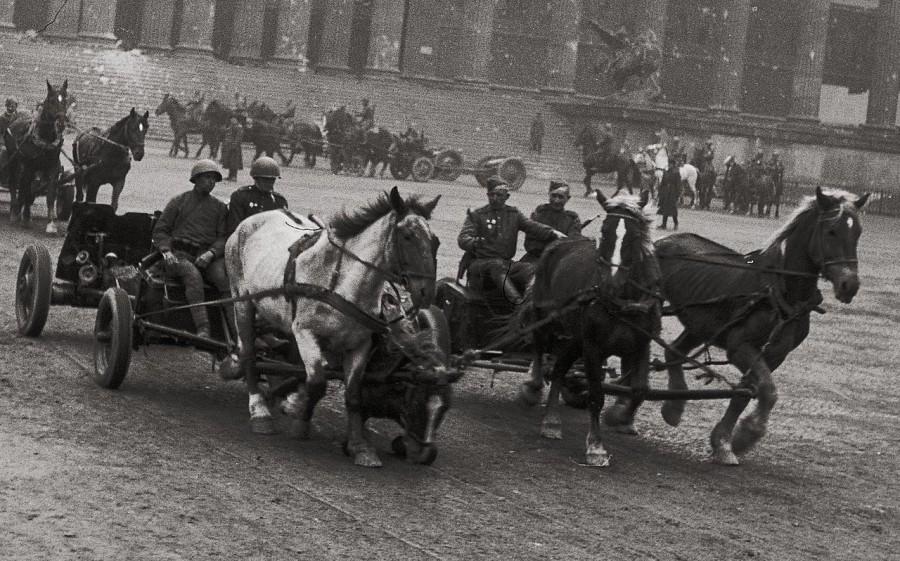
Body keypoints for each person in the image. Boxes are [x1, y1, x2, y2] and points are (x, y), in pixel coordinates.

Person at [151, 159, 229, 339]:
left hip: (206, 257)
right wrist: (166, 251)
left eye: (214, 179)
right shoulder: (179, 201)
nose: (211, 182)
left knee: (224, 280)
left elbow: (224, 237)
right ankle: (203, 328)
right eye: (207, 177)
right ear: (196, 178)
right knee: (193, 276)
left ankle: (237, 334)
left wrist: (211, 253)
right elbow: (161, 231)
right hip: (178, 256)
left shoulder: (219, 208)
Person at [458, 176, 566, 302]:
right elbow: (463, 238)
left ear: (507, 196)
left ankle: (531, 301)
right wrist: (474, 243)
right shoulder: (477, 215)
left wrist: (554, 233)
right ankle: (517, 303)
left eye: (499, 195)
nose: (494, 198)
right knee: (496, 265)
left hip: (506, 263)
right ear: (487, 195)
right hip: (479, 264)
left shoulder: (514, 214)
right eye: (491, 194)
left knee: (531, 269)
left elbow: (533, 227)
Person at [226, 156, 288, 235]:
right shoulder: (241, 196)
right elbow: (234, 227)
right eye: (265, 180)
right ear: (256, 179)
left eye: (272, 180)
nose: (269, 183)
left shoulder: (279, 201)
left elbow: (282, 229)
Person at [522, 181, 582, 263]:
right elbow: (530, 245)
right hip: (536, 259)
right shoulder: (538, 214)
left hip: (560, 261)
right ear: (549, 194)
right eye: (553, 196)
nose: (556, 200)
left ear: (568, 198)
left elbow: (572, 245)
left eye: (561, 197)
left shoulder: (572, 219)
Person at [656, 157, 680, 230]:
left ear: (673, 164)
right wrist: (660, 193)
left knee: (673, 208)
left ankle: (676, 223)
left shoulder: (676, 173)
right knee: (664, 208)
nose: (669, 165)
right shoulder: (666, 172)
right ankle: (664, 224)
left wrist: (677, 194)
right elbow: (663, 183)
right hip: (666, 192)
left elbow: (678, 184)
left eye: (671, 164)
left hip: (672, 192)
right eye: (669, 163)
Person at [220, 116, 244, 182]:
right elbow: (225, 132)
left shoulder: (239, 127)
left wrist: (234, 145)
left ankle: (234, 177)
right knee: (230, 162)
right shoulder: (231, 127)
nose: (232, 120)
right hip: (229, 147)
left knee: (234, 162)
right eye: (231, 119)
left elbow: (238, 137)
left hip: (235, 148)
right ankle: (230, 176)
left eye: (234, 119)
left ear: (237, 120)